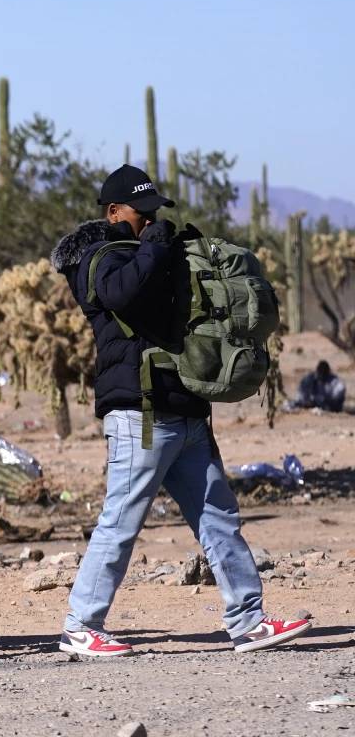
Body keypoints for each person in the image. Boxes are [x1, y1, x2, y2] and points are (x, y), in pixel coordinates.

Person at [50, 164, 311, 657]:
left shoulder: (150, 251)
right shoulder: (97, 259)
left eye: (154, 213)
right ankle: (81, 625)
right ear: (113, 212)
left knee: (219, 517)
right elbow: (121, 293)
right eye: (141, 212)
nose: (150, 221)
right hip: (140, 414)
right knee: (120, 521)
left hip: (185, 409)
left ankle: (248, 621)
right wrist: (156, 247)